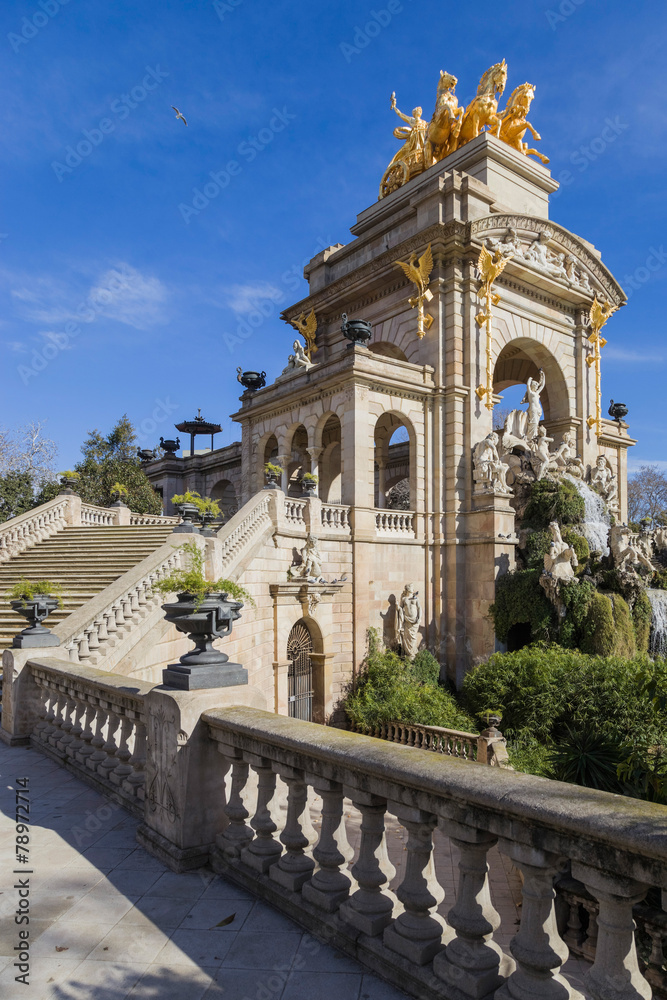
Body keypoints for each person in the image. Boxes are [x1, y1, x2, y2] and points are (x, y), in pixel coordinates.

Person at [396, 583, 421, 658]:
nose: (411, 588)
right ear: (407, 589)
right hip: (407, 620)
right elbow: (400, 608)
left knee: (413, 638)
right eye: (410, 587)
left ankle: (412, 654)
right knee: (407, 638)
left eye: (412, 587)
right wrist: (397, 606)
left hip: (414, 622)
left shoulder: (415, 598)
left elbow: (419, 608)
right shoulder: (404, 599)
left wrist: (419, 618)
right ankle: (408, 654)